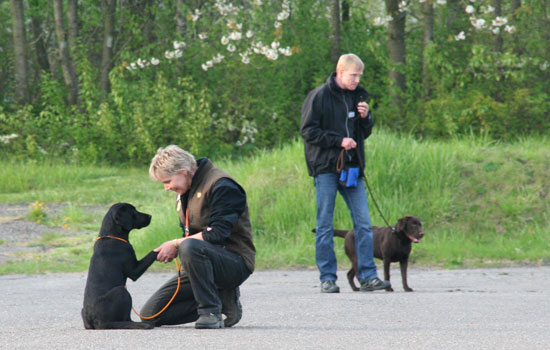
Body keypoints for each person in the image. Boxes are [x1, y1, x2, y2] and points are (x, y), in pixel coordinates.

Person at [300, 53, 390, 293]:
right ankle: (327, 278)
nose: (357, 80)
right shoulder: (319, 97)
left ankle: (368, 277)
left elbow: (364, 133)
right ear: (340, 72)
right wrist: (338, 141)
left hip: (352, 168)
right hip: (326, 168)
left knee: (363, 223)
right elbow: (308, 131)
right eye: (353, 75)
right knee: (325, 224)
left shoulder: (358, 97)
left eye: (359, 76)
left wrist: (366, 117)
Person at [140, 145, 255, 329]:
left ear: (184, 172)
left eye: (168, 181)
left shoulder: (223, 185)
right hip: (199, 263)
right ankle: (222, 301)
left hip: (234, 262)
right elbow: (188, 233)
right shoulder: (185, 190)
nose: (166, 188)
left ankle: (210, 311)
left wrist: (176, 244)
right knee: (149, 316)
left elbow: (217, 234)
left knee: (189, 246)